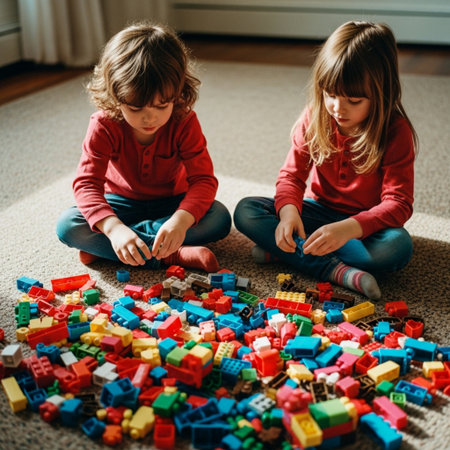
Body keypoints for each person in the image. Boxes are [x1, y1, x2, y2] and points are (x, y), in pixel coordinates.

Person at [234, 21, 418, 300]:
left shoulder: (395, 131)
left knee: (397, 248)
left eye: (353, 101)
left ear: (382, 93)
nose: (337, 108)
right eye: (330, 94)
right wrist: (288, 213)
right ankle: (337, 271)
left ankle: (288, 253)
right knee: (246, 210)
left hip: (363, 226)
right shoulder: (315, 115)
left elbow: (399, 203)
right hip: (316, 213)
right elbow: (291, 177)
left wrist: (348, 228)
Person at [57, 22, 231, 272]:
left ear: (179, 92)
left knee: (219, 217)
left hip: (172, 202)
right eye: (135, 108)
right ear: (115, 97)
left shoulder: (184, 120)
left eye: (162, 106)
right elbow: (86, 184)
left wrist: (180, 222)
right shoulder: (103, 124)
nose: (149, 118)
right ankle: (171, 255)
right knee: (68, 225)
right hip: (120, 202)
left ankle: (111, 248)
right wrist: (113, 228)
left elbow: (203, 180)